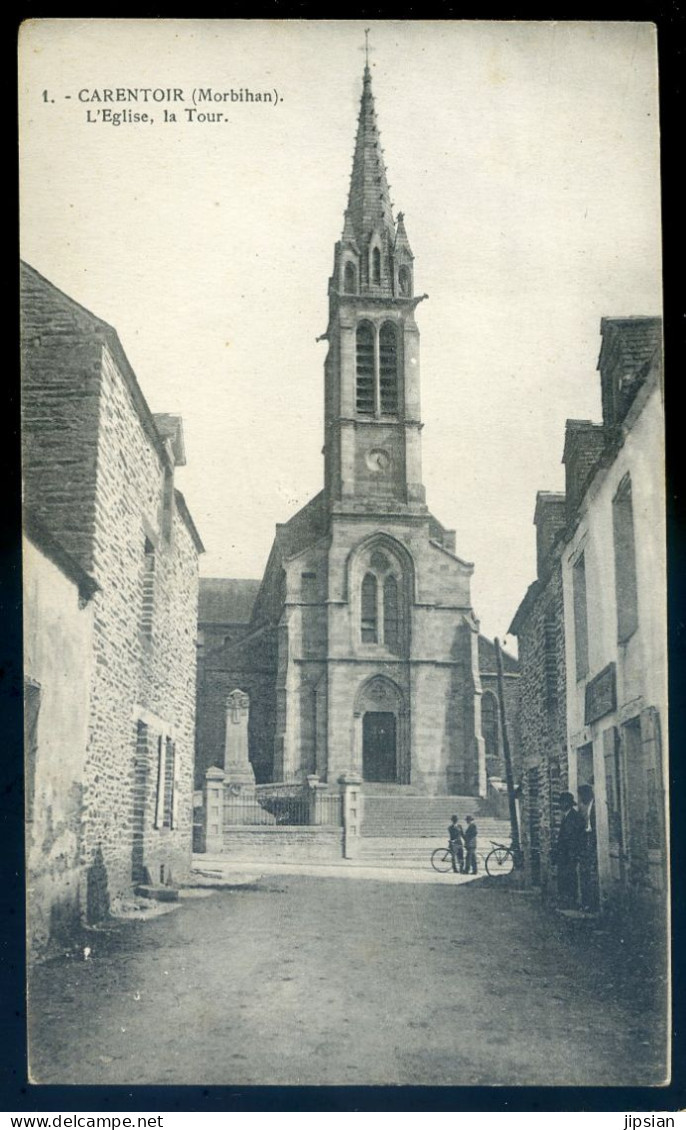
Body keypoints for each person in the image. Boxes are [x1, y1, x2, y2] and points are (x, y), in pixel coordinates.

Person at [553, 791, 584, 909]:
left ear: (568, 804)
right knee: (564, 877)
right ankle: (566, 900)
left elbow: (571, 837)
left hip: (569, 854)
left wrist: (571, 853)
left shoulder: (574, 817)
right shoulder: (567, 816)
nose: (561, 805)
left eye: (563, 803)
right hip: (564, 854)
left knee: (569, 878)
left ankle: (570, 901)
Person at [577, 783, 599, 911]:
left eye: (580, 796)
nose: (579, 799)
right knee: (585, 873)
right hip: (587, 843)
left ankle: (592, 904)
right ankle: (587, 903)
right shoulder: (586, 808)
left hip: (592, 843)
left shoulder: (595, 806)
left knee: (591, 874)